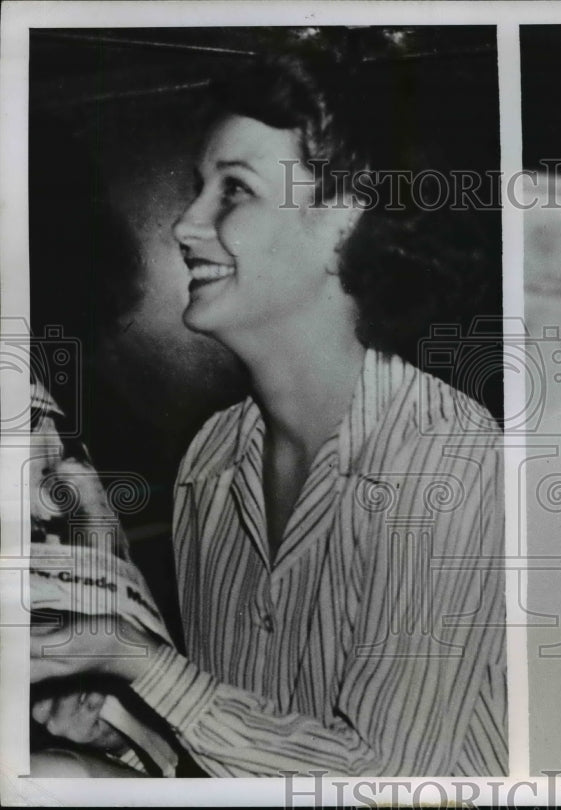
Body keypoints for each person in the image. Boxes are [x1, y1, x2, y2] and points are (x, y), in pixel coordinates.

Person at [31, 49, 506, 777]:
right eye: (199, 188)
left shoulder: (454, 463)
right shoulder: (212, 461)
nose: (186, 224)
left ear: (343, 222)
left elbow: (387, 783)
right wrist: (118, 727)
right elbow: (250, 751)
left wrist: (134, 657)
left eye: (234, 191)